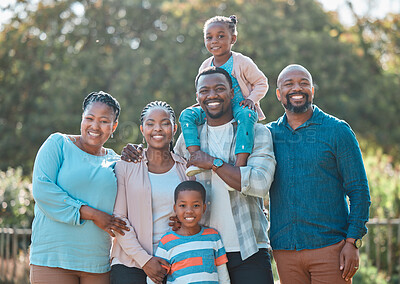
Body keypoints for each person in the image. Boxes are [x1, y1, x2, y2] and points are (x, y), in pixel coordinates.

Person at [267, 64, 371, 284]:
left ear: (312, 90)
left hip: (331, 249)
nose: (297, 88)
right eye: (289, 84)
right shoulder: (268, 136)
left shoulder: (337, 131)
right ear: (279, 94)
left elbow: (359, 191)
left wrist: (353, 241)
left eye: (304, 83)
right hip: (285, 249)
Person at [30, 91, 129, 284]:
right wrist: (92, 214)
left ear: (114, 126)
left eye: (104, 121)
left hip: (97, 262)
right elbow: (42, 190)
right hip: (52, 259)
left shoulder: (117, 162)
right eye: (89, 118)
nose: (95, 126)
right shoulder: (58, 144)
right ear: (82, 118)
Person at [110, 101, 192, 284]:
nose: (158, 129)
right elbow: (118, 219)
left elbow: (194, 211)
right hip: (128, 264)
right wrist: (144, 260)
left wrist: (184, 220)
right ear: (142, 129)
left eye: (165, 123)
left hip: (173, 263)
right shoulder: (124, 167)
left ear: (174, 128)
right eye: (150, 123)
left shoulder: (186, 169)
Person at [179, 15, 269, 175]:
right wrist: (200, 104)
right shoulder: (205, 65)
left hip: (240, 106)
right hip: (213, 108)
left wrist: (251, 100)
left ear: (233, 39)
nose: (214, 41)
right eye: (209, 37)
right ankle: (195, 156)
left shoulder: (241, 62)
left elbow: (262, 82)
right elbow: (202, 89)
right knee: (186, 115)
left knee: (247, 116)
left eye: (221, 36)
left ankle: (240, 164)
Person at [147, 180, 230, 284]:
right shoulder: (167, 242)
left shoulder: (213, 236)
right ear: (175, 208)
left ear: (204, 208)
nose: (189, 211)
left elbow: (223, 275)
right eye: (182, 205)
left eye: (196, 205)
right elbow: (154, 277)